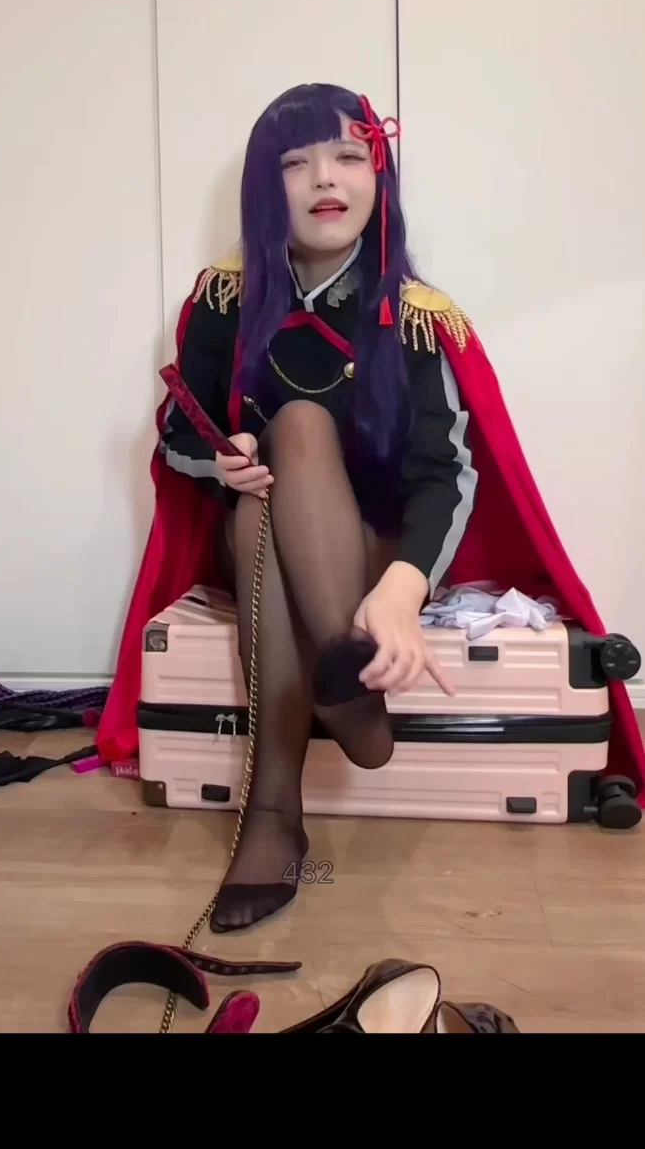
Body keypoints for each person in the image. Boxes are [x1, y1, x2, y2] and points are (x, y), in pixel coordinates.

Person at [95, 82, 645, 934]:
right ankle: (332, 710)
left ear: (376, 176)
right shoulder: (224, 300)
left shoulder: (417, 319)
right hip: (260, 544)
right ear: (263, 186)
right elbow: (176, 435)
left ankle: (276, 814)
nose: (326, 178)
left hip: (379, 552)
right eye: (296, 162)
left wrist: (398, 593)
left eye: (349, 156)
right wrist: (220, 459)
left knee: (299, 428)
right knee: (269, 482)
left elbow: (447, 476)